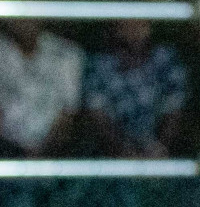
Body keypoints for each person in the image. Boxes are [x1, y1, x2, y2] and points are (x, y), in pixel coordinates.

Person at [81, 18, 189, 157]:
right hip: (113, 155)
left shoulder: (166, 58)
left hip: (163, 152)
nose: (134, 29)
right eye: (127, 23)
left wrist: (160, 147)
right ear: (115, 26)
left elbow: (175, 108)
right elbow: (98, 117)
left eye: (140, 23)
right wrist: (122, 150)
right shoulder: (99, 64)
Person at [0, 19, 84, 157]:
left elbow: (69, 112)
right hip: (6, 148)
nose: (24, 21)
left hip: (55, 149)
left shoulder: (66, 53)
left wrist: (41, 152)